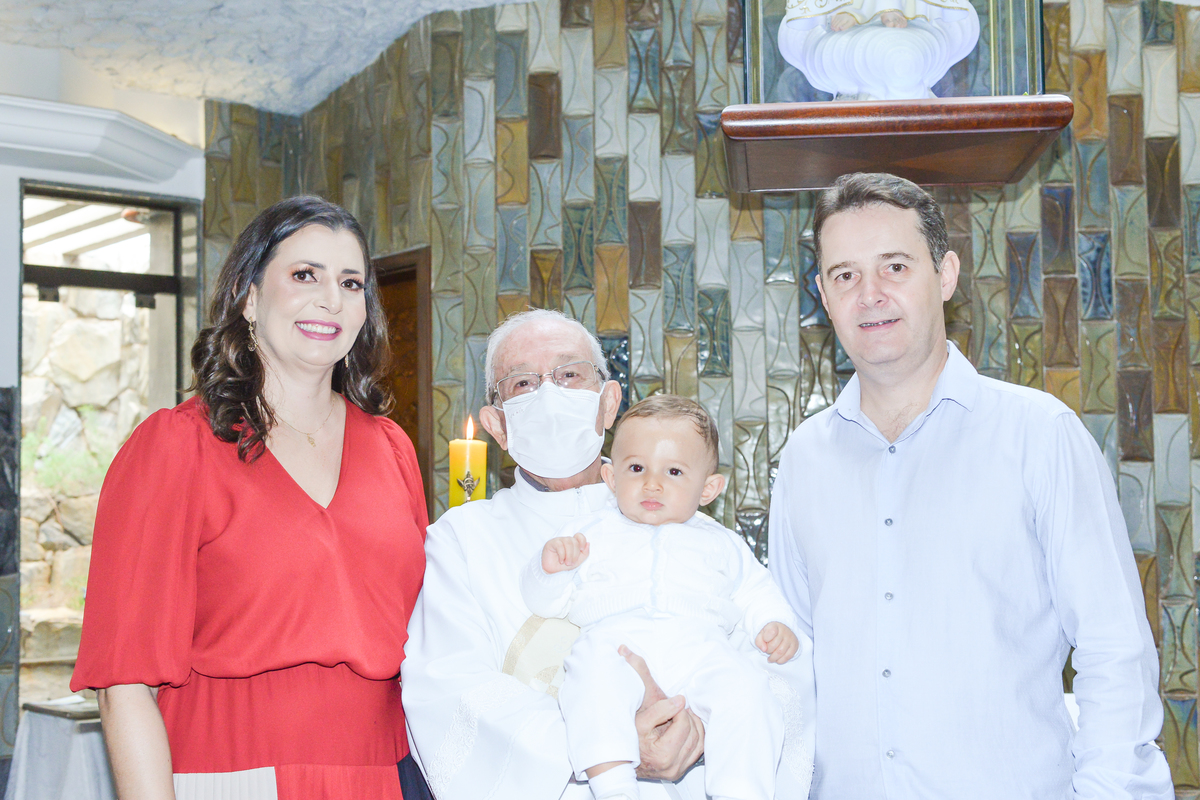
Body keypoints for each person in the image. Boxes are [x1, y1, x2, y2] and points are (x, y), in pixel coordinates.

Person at [767, 172, 1174, 798]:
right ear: (823, 294)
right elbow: (788, 660)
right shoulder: (801, 462)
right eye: (845, 275)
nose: (869, 294)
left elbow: (1113, 651)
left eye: (895, 266)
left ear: (947, 275)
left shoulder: (1040, 435)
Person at [71, 196, 432, 799]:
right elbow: (125, 682)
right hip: (229, 772)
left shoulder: (392, 448)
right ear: (248, 294)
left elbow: (430, 640)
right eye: (304, 275)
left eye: (350, 283)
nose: (331, 300)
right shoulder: (176, 447)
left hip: (382, 775)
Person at [401, 309, 815, 800]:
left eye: (569, 374)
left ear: (608, 402)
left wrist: (700, 729)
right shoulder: (462, 540)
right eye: (522, 384)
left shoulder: (677, 518)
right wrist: (610, 748)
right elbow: (450, 692)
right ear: (498, 425)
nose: (549, 396)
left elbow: (772, 655)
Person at [521, 395, 809, 800]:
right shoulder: (588, 531)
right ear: (611, 478)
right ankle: (614, 787)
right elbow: (544, 602)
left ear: (708, 488)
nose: (652, 483)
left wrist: (773, 624)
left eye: (673, 471)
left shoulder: (721, 542)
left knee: (748, 689)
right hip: (616, 643)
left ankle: (742, 791)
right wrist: (549, 569)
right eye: (636, 468)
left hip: (700, 647)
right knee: (590, 677)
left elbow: (756, 589)